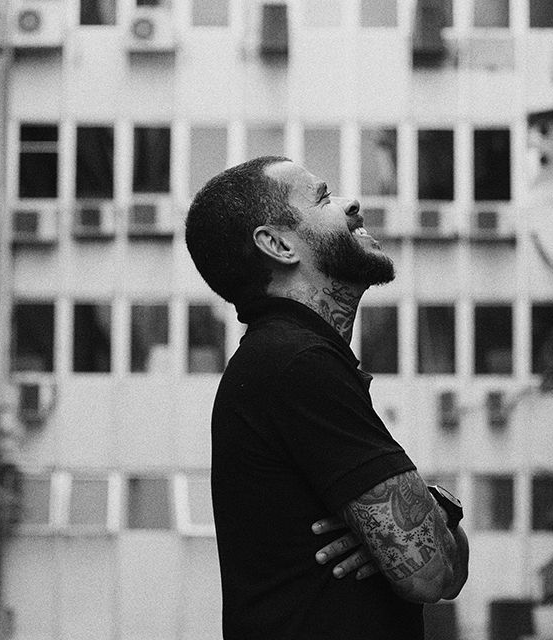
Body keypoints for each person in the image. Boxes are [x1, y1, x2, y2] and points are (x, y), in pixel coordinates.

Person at [185, 155, 469, 639]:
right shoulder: (297, 365)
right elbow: (432, 574)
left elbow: (444, 574)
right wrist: (425, 517)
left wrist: (415, 520)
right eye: (323, 198)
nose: (351, 203)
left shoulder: (289, 360)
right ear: (278, 245)